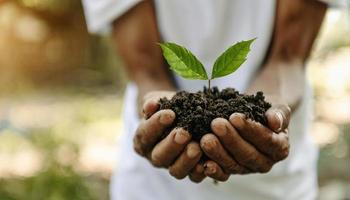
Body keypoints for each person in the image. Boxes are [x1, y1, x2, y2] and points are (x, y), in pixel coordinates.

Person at [82, 0, 327, 199]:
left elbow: (287, 58)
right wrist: (160, 110)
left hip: (277, 188)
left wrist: (267, 113)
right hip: (154, 189)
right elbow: (146, 71)